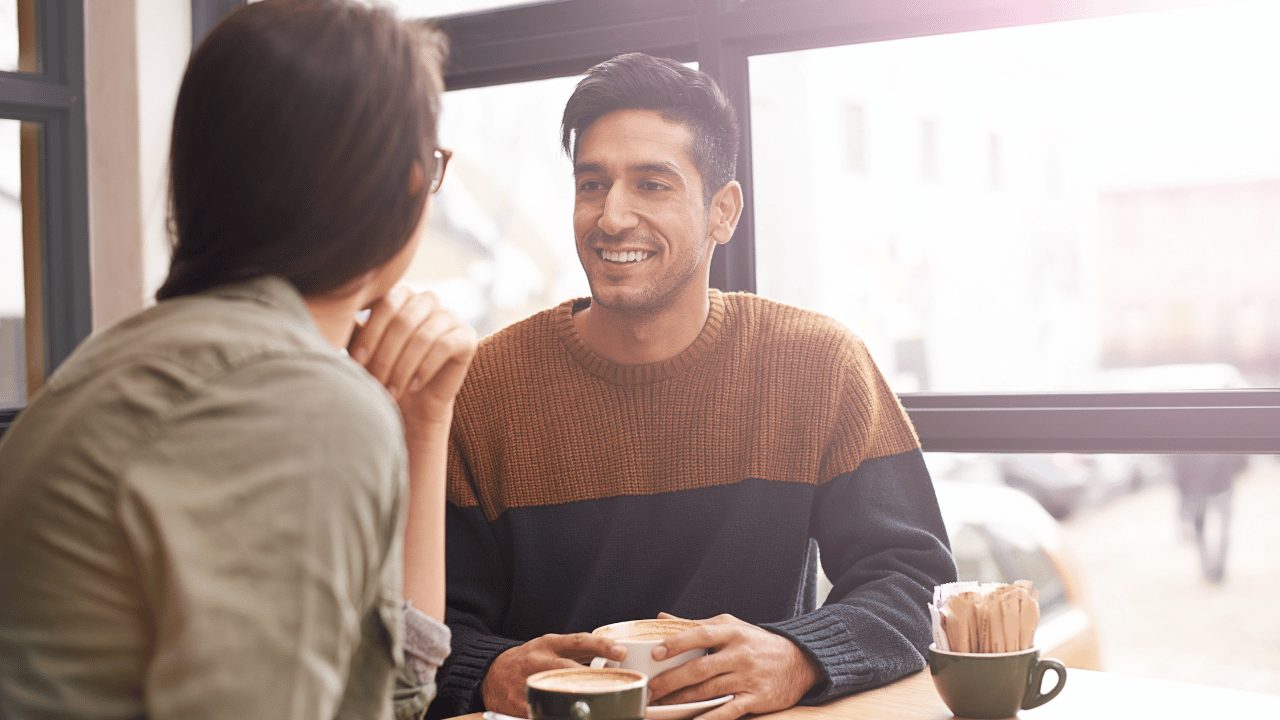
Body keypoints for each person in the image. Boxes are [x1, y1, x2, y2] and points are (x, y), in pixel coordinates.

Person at [429, 53, 956, 720]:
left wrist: (800, 656)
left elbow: (917, 581)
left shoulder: (819, 364)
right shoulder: (486, 387)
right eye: (592, 184)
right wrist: (488, 671)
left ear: (722, 212)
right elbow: (425, 625)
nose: (611, 216)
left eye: (652, 185)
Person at [0, 2, 474, 718]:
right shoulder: (289, 402)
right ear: (410, 181)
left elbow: (394, 695)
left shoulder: (129, 359)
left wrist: (424, 421)